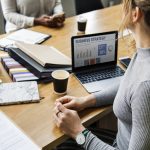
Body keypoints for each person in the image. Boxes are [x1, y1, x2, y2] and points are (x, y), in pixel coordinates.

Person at [53, 0, 150, 149]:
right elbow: (129, 83)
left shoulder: (145, 86)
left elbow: (139, 88)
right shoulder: (144, 52)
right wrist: (87, 100)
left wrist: (79, 132)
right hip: (120, 141)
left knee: (61, 145)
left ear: (135, 14)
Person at [1, 0, 65, 33]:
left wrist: (58, 14)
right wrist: (35, 21)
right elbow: (9, 13)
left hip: (50, 29)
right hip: (20, 32)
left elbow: (57, 2)